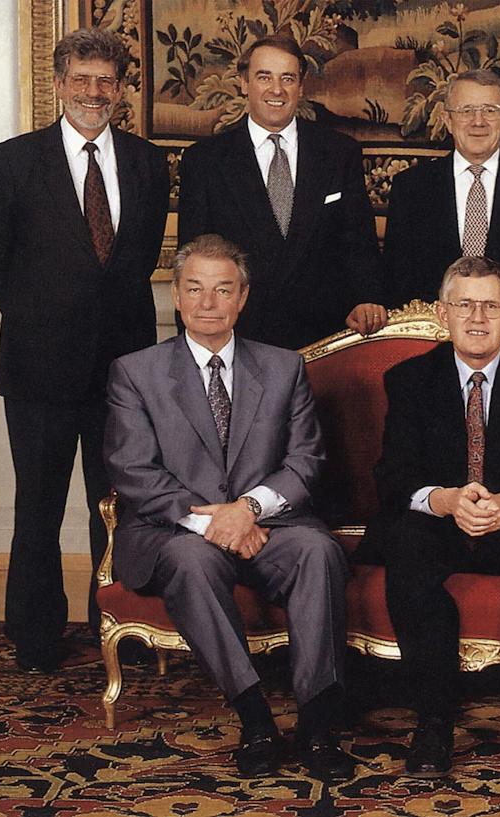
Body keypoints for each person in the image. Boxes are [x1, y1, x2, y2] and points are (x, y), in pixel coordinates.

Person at [103, 234, 352, 780]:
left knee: (319, 550)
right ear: (175, 295)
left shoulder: (283, 367)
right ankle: (256, 718)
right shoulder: (135, 372)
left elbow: (306, 459)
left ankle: (316, 723)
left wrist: (249, 510)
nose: (207, 303)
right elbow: (134, 472)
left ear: (243, 298)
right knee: (193, 562)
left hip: (269, 526)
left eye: (222, 290)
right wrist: (216, 521)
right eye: (194, 288)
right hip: (174, 532)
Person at [0, 27, 169, 672]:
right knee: (41, 502)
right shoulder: (13, 159)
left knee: (119, 501)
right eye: (81, 79)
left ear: (121, 89)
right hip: (40, 365)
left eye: (106, 81)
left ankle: (118, 623)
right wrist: (41, 317)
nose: (94, 92)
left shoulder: (147, 163)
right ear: (58, 85)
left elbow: (136, 260)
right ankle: (34, 637)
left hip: (125, 366)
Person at [360, 257, 500, 777]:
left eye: (491, 305)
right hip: (439, 522)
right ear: (442, 314)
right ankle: (433, 722)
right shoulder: (409, 379)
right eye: (464, 304)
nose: (477, 316)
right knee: (407, 539)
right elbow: (393, 478)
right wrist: (445, 500)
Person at [178, 35, 384, 349]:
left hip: (326, 339)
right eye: (264, 78)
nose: (277, 90)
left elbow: (360, 246)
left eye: (287, 79)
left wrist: (366, 299)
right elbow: (192, 262)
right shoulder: (204, 162)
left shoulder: (340, 153)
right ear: (243, 83)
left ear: (301, 87)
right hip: (241, 340)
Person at [383, 69, 500, 315]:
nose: (478, 121)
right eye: (466, 111)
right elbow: (396, 281)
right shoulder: (410, 188)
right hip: (431, 332)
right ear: (448, 120)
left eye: (490, 110)